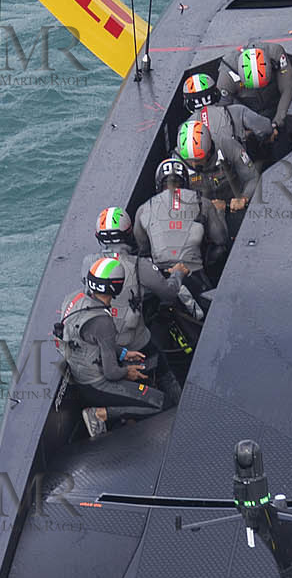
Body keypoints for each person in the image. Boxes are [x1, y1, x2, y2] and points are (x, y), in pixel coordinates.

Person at [55, 258, 168, 434]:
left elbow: (91, 340)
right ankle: (101, 414)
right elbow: (112, 373)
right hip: (98, 385)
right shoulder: (102, 321)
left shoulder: (74, 299)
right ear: (117, 286)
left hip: (82, 375)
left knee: (147, 368)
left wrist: (123, 353)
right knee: (160, 403)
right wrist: (127, 372)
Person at [134, 157, 226, 289]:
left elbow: (143, 249)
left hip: (160, 276)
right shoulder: (203, 202)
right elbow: (221, 239)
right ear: (185, 182)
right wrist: (220, 213)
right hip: (193, 273)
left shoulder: (143, 209)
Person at [216, 43, 292, 144]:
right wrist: (246, 133)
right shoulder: (227, 76)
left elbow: (288, 87)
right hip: (248, 114)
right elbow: (222, 113)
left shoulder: (276, 54)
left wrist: (277, 122)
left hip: (274, 103)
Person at [178, 103, 260, 206]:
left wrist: (244, 198)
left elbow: (252, 178)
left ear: (208, 152)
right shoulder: (177, 162)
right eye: (190, 160)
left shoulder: (228, 146)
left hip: (233, 205)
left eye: (198, 160)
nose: (193, 165)